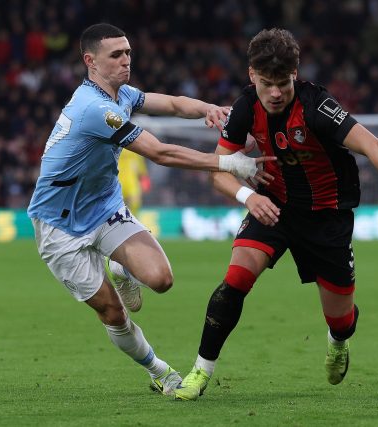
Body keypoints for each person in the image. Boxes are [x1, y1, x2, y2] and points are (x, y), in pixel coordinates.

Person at [174, 28, 378, 401]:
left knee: (341, 320)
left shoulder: (318, 108)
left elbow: (372, 146)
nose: (276, 92)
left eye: (283, 82)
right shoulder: (245, 107)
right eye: (267, 83)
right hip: (272, 208)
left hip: (327, 219)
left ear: (295, 73)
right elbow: (219, 171)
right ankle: (200, 371)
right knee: (235, 279)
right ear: (252, 76)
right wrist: (248, 196)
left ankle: (338, 342)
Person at [27, 23, 273, 397]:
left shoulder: (122, 94)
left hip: (104, 207)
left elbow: (173, 104)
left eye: (128, 52)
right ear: (90, 62)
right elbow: (159, 152)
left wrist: (210, 109)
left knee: (161, 279)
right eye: (116, 55)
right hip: (60, 226)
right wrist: (226, 164)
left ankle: (121, 266)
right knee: (113, 313)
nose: (126, 61)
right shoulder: (94, 108)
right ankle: (160, 371)